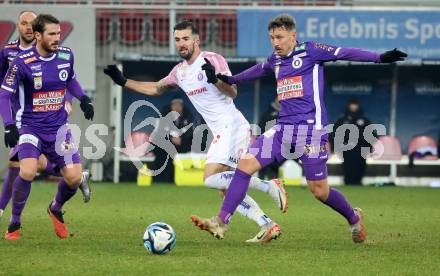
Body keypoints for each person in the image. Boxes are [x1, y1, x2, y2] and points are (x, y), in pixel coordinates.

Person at [191, 14, 407, 243]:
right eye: (272, 37)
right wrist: (229, 79)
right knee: (245, 165)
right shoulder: (275, 60)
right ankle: (221, 222)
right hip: (283, 129)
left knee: (319, 191)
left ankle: (354, 218)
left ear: (293, 36)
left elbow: (344, 52)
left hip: (310, 132)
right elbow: (257, 70)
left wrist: (379, 57)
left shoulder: (311, 51)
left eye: (280, 37)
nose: (275, 42)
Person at [104, 20, 288, 243]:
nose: (181, 44)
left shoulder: (213, 59)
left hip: (232, 125)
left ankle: (269, 186)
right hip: (223, 130)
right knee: (225, 188)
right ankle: (267, 224)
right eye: (177, 40)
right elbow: (155, 88)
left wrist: (216, 79)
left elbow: (232, 92)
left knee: (210, 178)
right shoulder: (179, 72)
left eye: (185, 39)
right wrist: (124, 82)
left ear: (196, 41)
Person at [0, 14, 94, 240]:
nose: (57, 38)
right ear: (38, 35)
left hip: (60, 129)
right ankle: (14, 223)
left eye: (59, 34)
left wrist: (83, 98)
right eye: (52, 34)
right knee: (28, 171)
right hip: (30, 128)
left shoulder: (65, 55)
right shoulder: (22, 61)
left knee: (73, 178)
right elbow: (4, 95)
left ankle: (55, 207)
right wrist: (9, 125)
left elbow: (70, 79)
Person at [152, 96, 194, 183]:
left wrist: (181, 139)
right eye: (175, 105)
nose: (177, 108)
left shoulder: (188, 116)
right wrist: (171, 138)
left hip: (182, 144)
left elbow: (190, 132)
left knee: (189, 147)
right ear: (171, 106)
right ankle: (160, 179)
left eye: (179, 105)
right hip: (165, 143)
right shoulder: (164, 115)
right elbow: (159, 132)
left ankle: (180, 179)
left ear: (182, 107)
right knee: (161, 149)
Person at [331, 99, 372, 185]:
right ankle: (348, 182)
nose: (353, 106)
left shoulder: (364, 120)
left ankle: (358, 182)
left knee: (360, 165)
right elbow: (335, 134)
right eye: (352, 104)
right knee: (347, 166)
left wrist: (370, 147)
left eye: (355, 104)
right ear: (348, 106)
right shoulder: (342, 120)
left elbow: (371, 135)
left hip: (361, 148)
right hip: (346, 147)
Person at [258, 96, 282, 180]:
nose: (280, 100)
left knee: (275, 166)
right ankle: (261, 180)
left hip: (280, 145)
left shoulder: (287, 114)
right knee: (262, 164)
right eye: (278, 98)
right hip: (266, 143)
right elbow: (260, 128)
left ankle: (275, 181)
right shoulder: (267, 114)